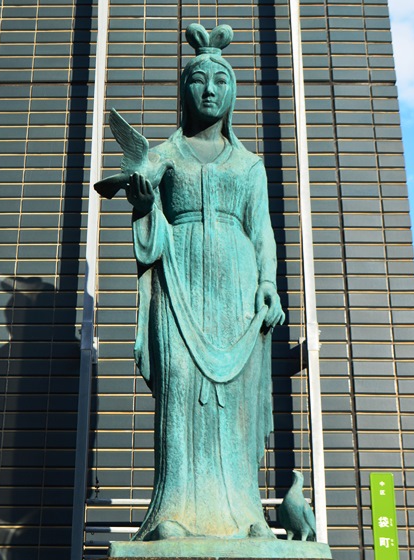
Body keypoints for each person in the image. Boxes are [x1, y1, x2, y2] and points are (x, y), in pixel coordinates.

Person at [126, 23, 285, 541]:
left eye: (220, 81)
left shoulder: (250, 165)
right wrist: (144, 202)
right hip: (179, 285)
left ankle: (245, 516)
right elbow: (149, 221)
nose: (209, 90)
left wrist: (268, 282)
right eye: (198, 80)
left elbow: (262, 231)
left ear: (232, 92)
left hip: (237, 292)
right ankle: (174, 511)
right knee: (181, 390)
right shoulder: (163, 157)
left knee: (234, 402)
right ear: (184, 90)